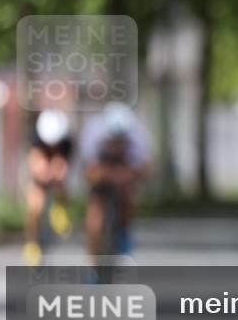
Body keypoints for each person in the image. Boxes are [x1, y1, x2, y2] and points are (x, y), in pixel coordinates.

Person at [79, 102, 152, 260]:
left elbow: (146, 168)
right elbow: (89, 171)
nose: (117, 144)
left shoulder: (137, 137)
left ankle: (124, 234)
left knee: (127, 195)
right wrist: (107, 175)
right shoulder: (93, 135)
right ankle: (94, 266)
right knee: (94, 223)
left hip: (124, 169)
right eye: (114, 140)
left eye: (121, 140)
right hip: (101, 170)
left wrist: (128, 175)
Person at [24, 109, 74, 265]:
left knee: (61, 181)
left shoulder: (67, 142)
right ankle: (32, 244)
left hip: (57, 169)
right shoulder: (36, 139)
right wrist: (45, 172)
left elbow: (64, 167)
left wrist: (57, 171)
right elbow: (36, 166)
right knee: (35, 207)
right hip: (41, 173)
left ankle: (60, 210)